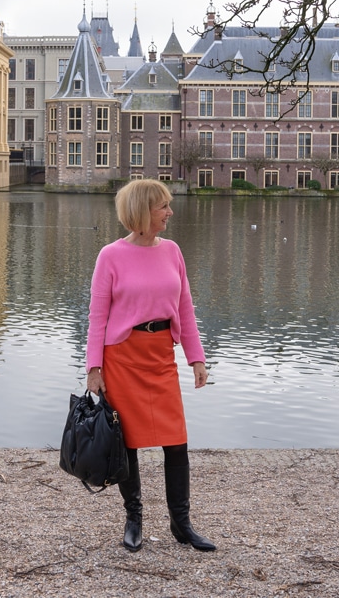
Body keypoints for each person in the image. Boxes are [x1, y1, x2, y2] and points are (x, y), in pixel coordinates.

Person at [85, 178, 216, 553]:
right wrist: (94, 367)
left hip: (160, 356)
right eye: (163, 207)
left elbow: (186, 309)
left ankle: (182, 524)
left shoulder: (173, 251)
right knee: (127, 443)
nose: (169, 212)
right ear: (143, 211)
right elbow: (97, 316)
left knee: (176, 443)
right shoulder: (110, 255)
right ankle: (134, 519)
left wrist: (197, 358)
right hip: (122, 358)